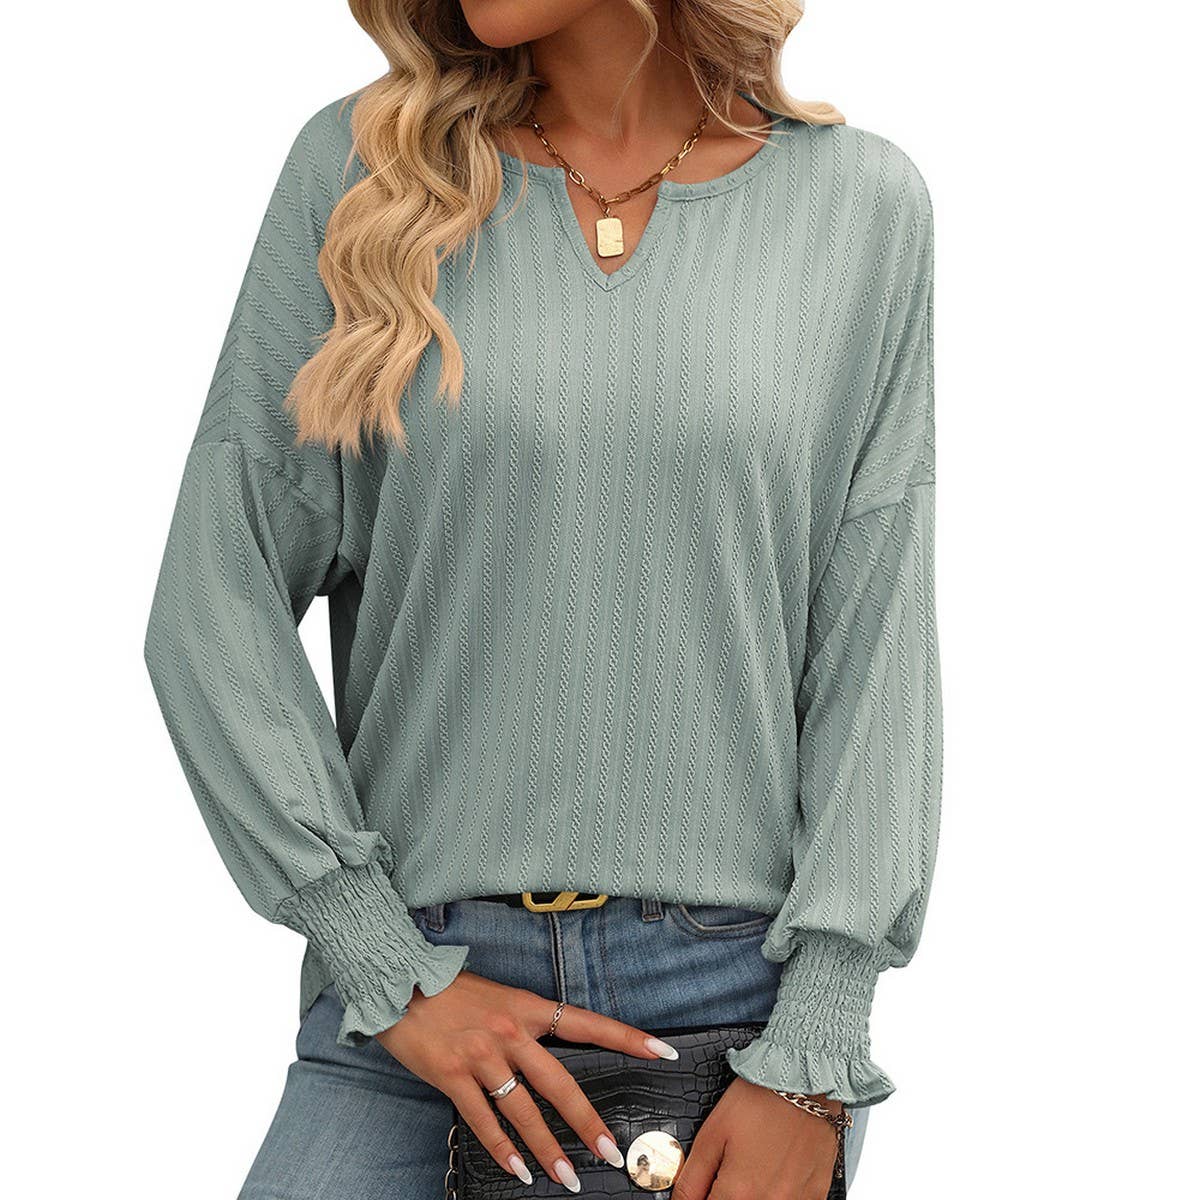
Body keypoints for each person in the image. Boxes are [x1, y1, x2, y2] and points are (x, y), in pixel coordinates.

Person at [143, 1, 942, 1196]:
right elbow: (214, 601)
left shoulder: (859, 206)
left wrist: (814, 1057)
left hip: (724, 1022)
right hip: (414, 995)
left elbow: (876, 640)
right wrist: (381, 961)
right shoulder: (366, 177)